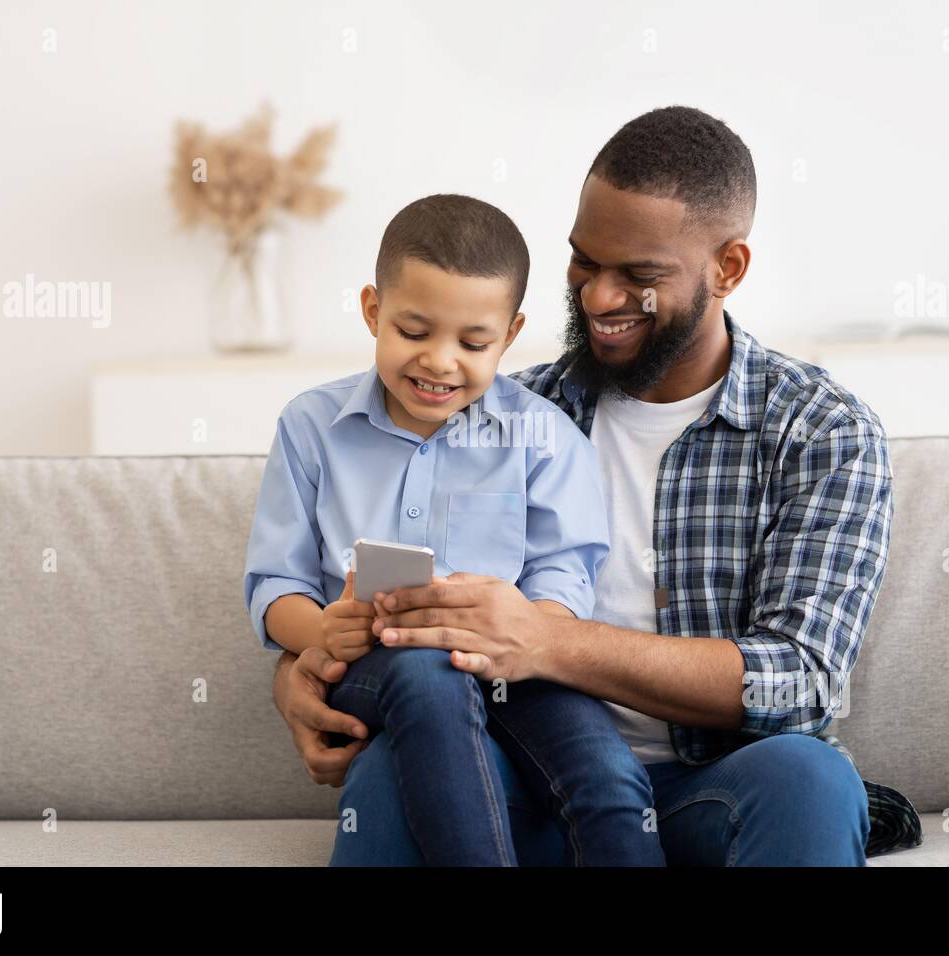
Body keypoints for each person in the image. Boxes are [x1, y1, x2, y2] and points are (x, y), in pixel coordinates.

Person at [273, 106, 923, 866]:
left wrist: (550, 642)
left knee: (812, 779)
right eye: (584, 262)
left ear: (728, 269)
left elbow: (804, 679)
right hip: (514, 778)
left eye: (639, 276)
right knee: (386, 778)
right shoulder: (500, 412)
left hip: (712, 782)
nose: (599, 297)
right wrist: (296, 675)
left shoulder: (821, 430)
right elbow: (367, 589)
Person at [244, 194, 666, 866]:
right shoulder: (310, 427)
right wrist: (321, 632)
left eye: (473, 343)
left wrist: (524, 630)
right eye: (414, 332)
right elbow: (276, 581)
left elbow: (565, 574)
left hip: (514, 664)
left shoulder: (544, 437)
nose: (440, 362)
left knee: (602, 772)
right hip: (375, 665)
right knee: (428, 678)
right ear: (373, 311)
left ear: (509, 333)